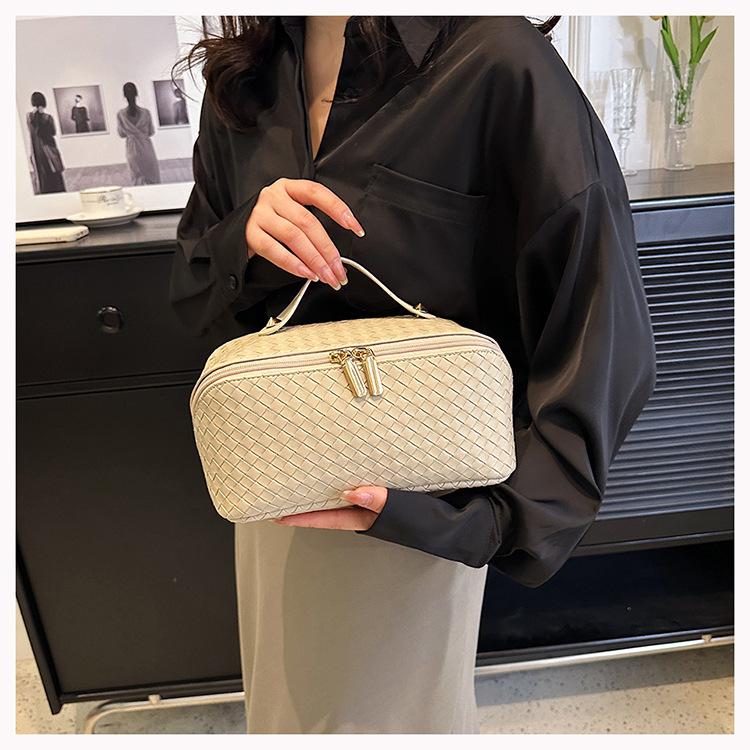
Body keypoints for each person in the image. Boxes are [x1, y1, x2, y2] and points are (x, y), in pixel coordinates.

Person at [170, 16, 656, 734]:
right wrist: (245, 238)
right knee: (284, 716)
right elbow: (193, 293)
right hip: (276, 481)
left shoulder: (495, 63)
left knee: (396, 722)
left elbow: (601, 323)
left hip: (417, 504)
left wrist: (486, 519)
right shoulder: (245, 78)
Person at [117, 82, 161, 184]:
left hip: (131, 149)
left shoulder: (121, 114)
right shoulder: (146, 112)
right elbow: (151, 131)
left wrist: (131, 133)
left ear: (124, 96)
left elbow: (121, 134)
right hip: (146, 147)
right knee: (152, 177)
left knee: (136, 179)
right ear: (137, 94)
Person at [26, 91, 65, 194]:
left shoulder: (29, 117)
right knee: (54, 171)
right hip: (48, 148)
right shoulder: (48, 118)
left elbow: (32, 131)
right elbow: (53, 132)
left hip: (37, 150)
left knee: (41, 173)